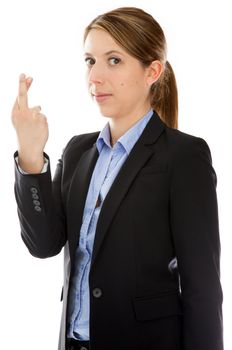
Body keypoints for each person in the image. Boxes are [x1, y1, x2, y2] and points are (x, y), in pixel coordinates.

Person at [11, 6, 223, 350]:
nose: (95, 77)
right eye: (90, 61)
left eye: (114, 60)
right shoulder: (79, 151)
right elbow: (43, 244)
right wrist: (31, 155)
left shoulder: (183, 157)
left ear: (152, 70)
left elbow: (203, 289)